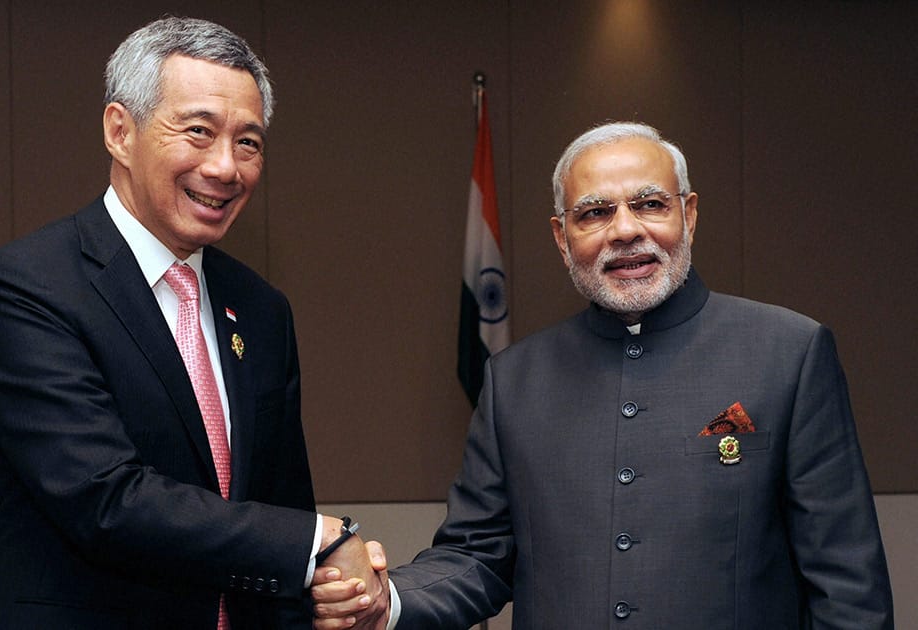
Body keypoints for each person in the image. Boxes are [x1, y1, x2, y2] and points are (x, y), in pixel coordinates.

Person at [311, 121, 894, 628]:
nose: (624, 230)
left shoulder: (788, 352)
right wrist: (386, 600)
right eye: (594, 212)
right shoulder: (515, 380)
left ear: (688, 214)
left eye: (649, 204)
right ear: (563, 238)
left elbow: (847, 586)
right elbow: (477, 555)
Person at [0, 16, 385, 629]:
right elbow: (106, 499)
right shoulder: (24, 286)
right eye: (198, 131)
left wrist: (325, 582)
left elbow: (278, 503)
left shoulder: (261, 309)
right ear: (119, 132)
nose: (225, 167)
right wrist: (313, 540)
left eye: (248, 142)